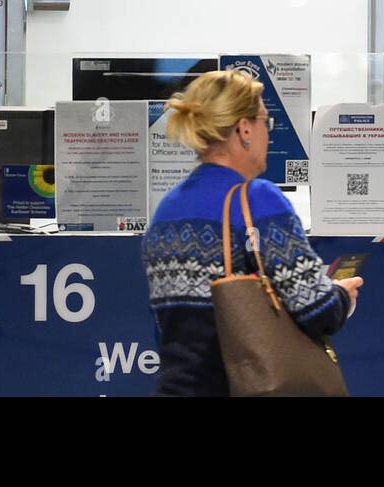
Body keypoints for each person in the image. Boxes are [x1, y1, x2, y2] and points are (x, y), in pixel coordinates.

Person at [141, 69, 362, 396]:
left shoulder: (166, 210)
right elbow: (317, 309)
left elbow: (168, 326)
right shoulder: (258, 199)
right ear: (244, 128)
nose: (268, 135)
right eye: (265, 122)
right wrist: (342, 295)